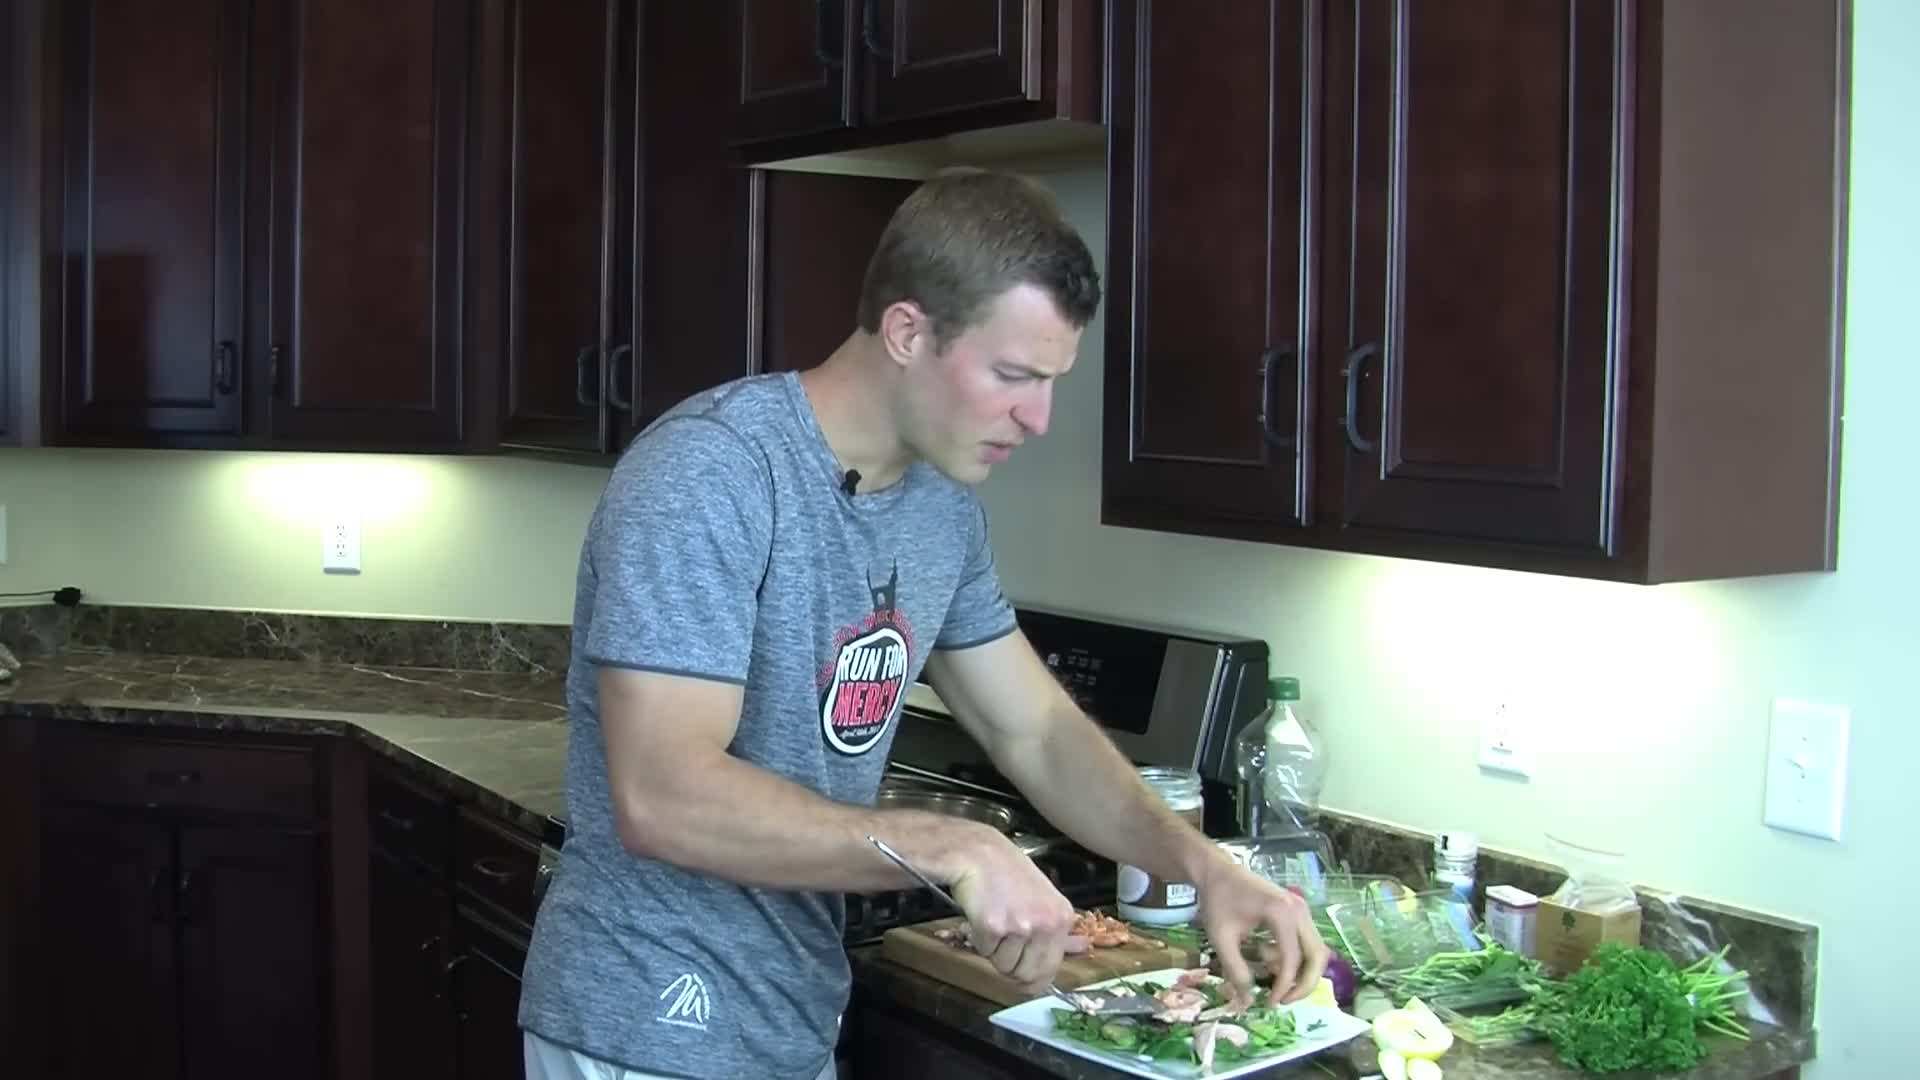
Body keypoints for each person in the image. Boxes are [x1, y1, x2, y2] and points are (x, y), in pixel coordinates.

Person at [517, 168, 1328, 1080]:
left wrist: (1195, 859)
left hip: (786, 1017)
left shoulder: (940, 508)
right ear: (907, 331)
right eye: (1014, 375)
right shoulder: (711, 474)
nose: (1039, 417)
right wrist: (956, 845)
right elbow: (664, 798)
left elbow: (1036, 728)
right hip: (643, 1025)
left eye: (1051, 380)